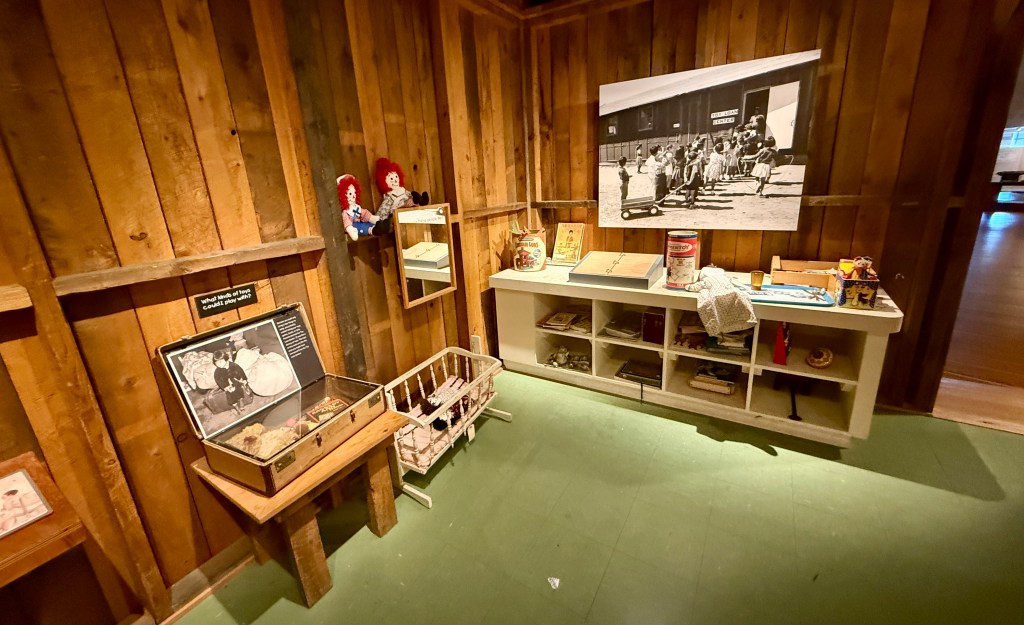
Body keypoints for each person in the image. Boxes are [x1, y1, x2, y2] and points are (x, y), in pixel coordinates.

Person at [212, 349, 249, 415]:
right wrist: (226, 387)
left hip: (235, 380)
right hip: (227, 384)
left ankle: (241, 400)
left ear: (226, 359)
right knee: (230, 396)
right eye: (216, 363)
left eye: (220, 362)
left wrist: (244, 379)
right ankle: (236, 407)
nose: (219, 364)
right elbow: (218, 381)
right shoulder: (217, 372)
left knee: (239, 389)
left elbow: (241, 371)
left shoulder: (233, 365)